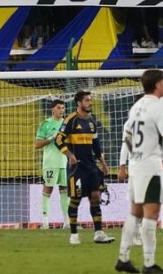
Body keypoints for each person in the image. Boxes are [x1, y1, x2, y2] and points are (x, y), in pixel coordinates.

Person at [115, 69, 163, 274]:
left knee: (135, 212)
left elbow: (128, 138)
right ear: (157, 84)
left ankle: (123, 258)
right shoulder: (159, 107)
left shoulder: (137, 106)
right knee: (151, 213)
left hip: (136, 166)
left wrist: (133, 159)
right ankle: (149, 264)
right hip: (149, 169)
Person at [55, 90, 114, 245]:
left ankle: (99, 233)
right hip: (77, 168)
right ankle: (74, 234)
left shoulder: (91, 122)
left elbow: (96, 145)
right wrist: (70, 155)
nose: (90, 103)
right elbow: (58, 140)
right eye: (87, 100)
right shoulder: (70, 120)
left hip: (91, 167)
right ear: (79, 103)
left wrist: (103, 162)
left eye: (90, 100)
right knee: (75, 199)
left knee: (96, 197)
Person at [34, 99, 70, 230]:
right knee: (48, 188)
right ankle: (45, 222)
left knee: (65, 190)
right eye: (59, 108)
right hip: (50, 162)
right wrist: (51, 138)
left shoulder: (67, 124)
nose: (62, 110)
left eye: (63, 108)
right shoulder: (46, 124)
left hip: (64, 162)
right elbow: (37, 144)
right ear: (53, 109)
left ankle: (66, 222)